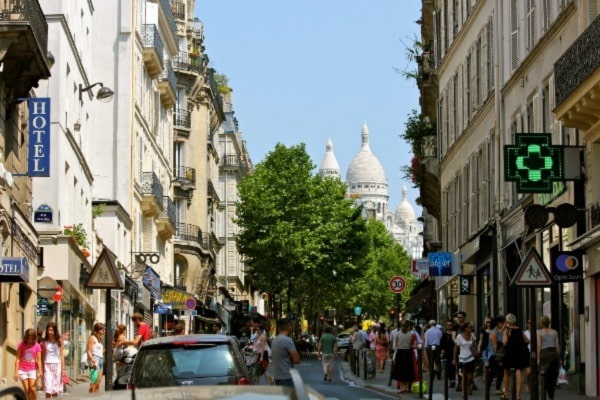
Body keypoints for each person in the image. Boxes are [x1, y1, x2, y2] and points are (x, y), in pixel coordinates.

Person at [501, 313, 529, 400]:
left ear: (507, 321)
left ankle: (506, 393)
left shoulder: (507, 330)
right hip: (519, 353)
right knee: (518, 372)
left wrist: (504, 331)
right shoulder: (519, 330)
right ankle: (518, 395)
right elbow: (527, 340)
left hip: (509, 353)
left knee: (506, 372)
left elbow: (505, 342)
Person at [270, 318, 300, 386]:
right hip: (287, 377)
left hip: (277, 377)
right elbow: (297, 359)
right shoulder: (287, 340)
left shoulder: (274, 340)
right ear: (290, 327)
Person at [14, 328, 42, 400]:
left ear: (34, 338)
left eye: (32, 339)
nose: (30, 340)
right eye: (28, 338)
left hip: (32, 370)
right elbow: (18, 358)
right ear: (26, 338)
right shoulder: (21, 345)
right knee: (27, 390)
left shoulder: (37, 346)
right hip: (22, 370)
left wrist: (40, 371)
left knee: (32, 388)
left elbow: (39, 360)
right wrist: (16, 372)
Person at [537, 315, 561, 400]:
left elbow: (539, 345)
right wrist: (558, 357)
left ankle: (546, 391)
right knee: (553, 375)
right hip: (553, 353)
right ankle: (551, 394)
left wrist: (538, 358)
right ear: (549, 322)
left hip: (545, 354)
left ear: (542, 323)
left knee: (544, 374)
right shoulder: (555, 332)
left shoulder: (540, 332)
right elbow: (557, 346)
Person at [391, 319, 417, 394]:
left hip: (406, 352)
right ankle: (403, 387)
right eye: (402, 326)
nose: (403, 327)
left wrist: (409, 345)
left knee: (407, 370)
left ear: (408, 326)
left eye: (404, 326)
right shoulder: (398, 334)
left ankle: (407, 387)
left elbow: (415, 345)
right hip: (402, 352)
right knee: (400, 370)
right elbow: (395, 344)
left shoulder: (412, 334)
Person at [41, 322, 65, 398]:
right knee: (48, 388)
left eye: (51, 330)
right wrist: (41, 368)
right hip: (47, 365)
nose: (49, 332)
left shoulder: (59, 341)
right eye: (48, 330)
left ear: (55, 331)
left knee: (55, 391)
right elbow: (43, 355)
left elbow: (61, 355)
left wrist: (63, 369)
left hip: (57, 364)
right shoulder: (44, 342)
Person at [454, 322, 477, 398]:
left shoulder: (472, 335)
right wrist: (454, 359)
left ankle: (468, 387)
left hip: (471, 358)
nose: (471, 328)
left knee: (470, 376)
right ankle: (464, 392)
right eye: (470, 327)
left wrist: (474, 344)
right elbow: (456, 348)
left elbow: (474, 347)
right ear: (466, 328)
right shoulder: (459, 336)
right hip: (462, 358)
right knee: (464, 376)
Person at [487, 315, 506, 395]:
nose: (504, 323)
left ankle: (497, 389)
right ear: (498, 323)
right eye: (503, 322)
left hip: (501, 354)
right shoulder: (493, 332)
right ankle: (488, 388)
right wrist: (498, 359)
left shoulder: (501, 331)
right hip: (493, 355)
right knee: (493, 371)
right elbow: (495, 347)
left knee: (501, 371)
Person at [87, 322, 106, 394]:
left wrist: (110, 347)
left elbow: (101, 352)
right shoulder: (92, 338)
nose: (104, 331)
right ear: (97, 330)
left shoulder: (99, 339)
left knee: (99, 381)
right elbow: (89, 350)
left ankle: (96, 396)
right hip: (95, 359)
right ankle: (92, 396)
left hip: (101, 359)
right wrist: (92, 359)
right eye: (102, 329)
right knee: (94, 381)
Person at [440, 321, 456, 388]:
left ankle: (453, 380)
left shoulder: (454, 333)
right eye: (448, 325)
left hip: (453, 352)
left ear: (452, 326)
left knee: (453, 367)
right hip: (446, 353)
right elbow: (442, 344)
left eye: (450, 325)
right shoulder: (444, 334)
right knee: (447, 368)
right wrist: (442, 351)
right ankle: (450, 380)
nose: (449, 326)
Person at [112, 324, 127, 389]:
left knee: (119, 377)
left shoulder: (117, 337)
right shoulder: (122, 337)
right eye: (125, 330)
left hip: (118, 361)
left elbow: (114, 350)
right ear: (124, 330)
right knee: (122, 379)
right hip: (121, 361)